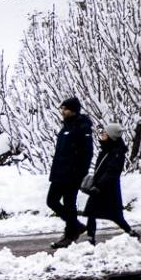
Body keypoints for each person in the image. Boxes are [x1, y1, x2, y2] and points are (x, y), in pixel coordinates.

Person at [46, 97, 94, 250]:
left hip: (72, 174)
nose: (62, 111)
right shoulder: (66, 127)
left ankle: (70, 234)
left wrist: (80, 173)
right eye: (62, 109)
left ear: (73, 110)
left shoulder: (82, 127)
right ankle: (75, 226)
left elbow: (87, 153)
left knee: (69, 203)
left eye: (65, 109)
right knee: (52, 201)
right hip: (60, 173)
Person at [83, 123, 139, 243]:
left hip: (108, 188)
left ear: (111, 136)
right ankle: (90, 237)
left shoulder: (116, 152)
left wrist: (98, 185)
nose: (102, 135)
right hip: (99, 186)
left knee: (115, 215)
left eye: (105, 134)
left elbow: (112, 172)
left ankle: (130, 232)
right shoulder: (107, 148)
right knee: (92, 212)